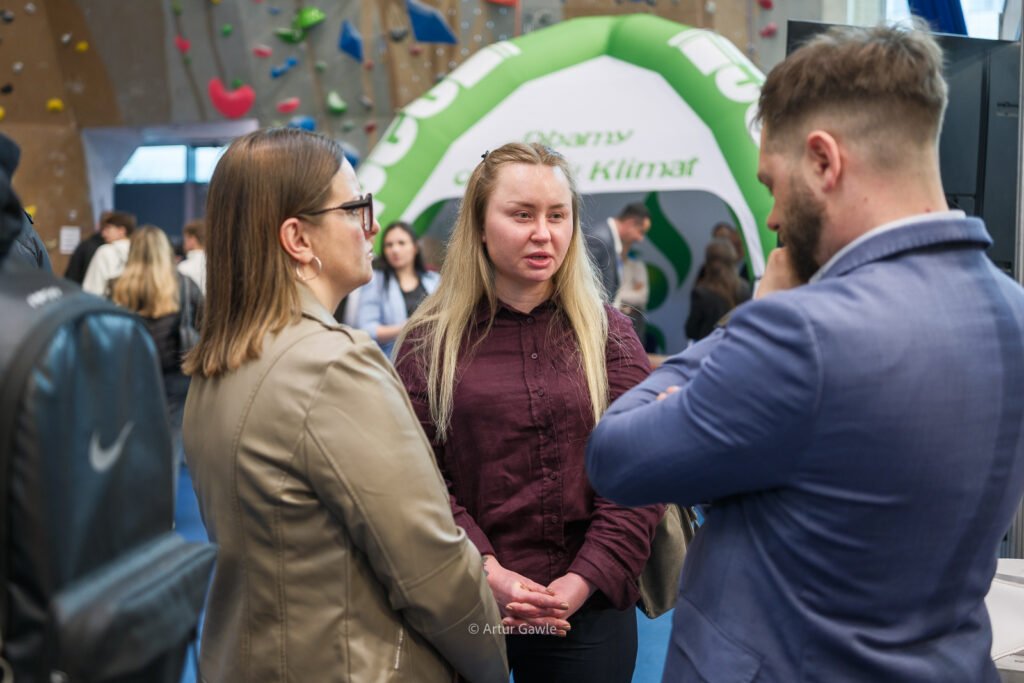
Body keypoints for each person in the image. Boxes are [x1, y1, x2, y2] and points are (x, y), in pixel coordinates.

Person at [587, 22, 1024, 683]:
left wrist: (755, 317)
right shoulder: (1012, 312)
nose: (772, 218)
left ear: (823, 161)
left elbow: (615, 455)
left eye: (773, 183)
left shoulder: (800, 332)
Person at [181, 128, 507, 683]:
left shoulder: (219, 363)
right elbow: (431, 569)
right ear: (297, 238)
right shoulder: (331, 365)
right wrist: (492, 659)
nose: (372, 226)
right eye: (356, 208)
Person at [394, 142, 661, 683]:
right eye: (522, 215)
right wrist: (486, 570)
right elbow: (415, 478)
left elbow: (638, 473)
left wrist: (580, 582)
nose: (543, 233)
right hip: (468, 600)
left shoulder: (609, 335)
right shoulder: (429, 343)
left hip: (584, 609)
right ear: (479, 226)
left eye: (557, 215)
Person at [110, 225, 202, 484]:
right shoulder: (184, 285)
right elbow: (206, 324)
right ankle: (163, 505)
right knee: (169, 450)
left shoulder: (116, 287)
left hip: (129, 376)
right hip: (175, 379)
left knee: (128, 448)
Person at [356, 220, 440, 356]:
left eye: (401, 243)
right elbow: (366, 329)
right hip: (393, 360)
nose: (395, 250)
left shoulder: (434, 280)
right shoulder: (375, 281)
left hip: (433, 356)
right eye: (389, 245)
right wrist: (406, 327)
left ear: (415, 247)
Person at [684, 237, 751, 342]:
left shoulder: (701, 293)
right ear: (733, 258)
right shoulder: (745, 288)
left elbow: (691, 330)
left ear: (708, 261)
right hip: (736, 345)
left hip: (708, 348)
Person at [81, 211, 137, 296]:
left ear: (121, 231)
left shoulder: (104, 251)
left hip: (107, 302)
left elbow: (93, 289)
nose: (103, 234)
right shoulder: (138, 252)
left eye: (108, 228)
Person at [176, 218, 206, 294]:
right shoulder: (215, 266)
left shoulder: (183, 268)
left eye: (186, 238)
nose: (184, 243)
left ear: (192, 239)